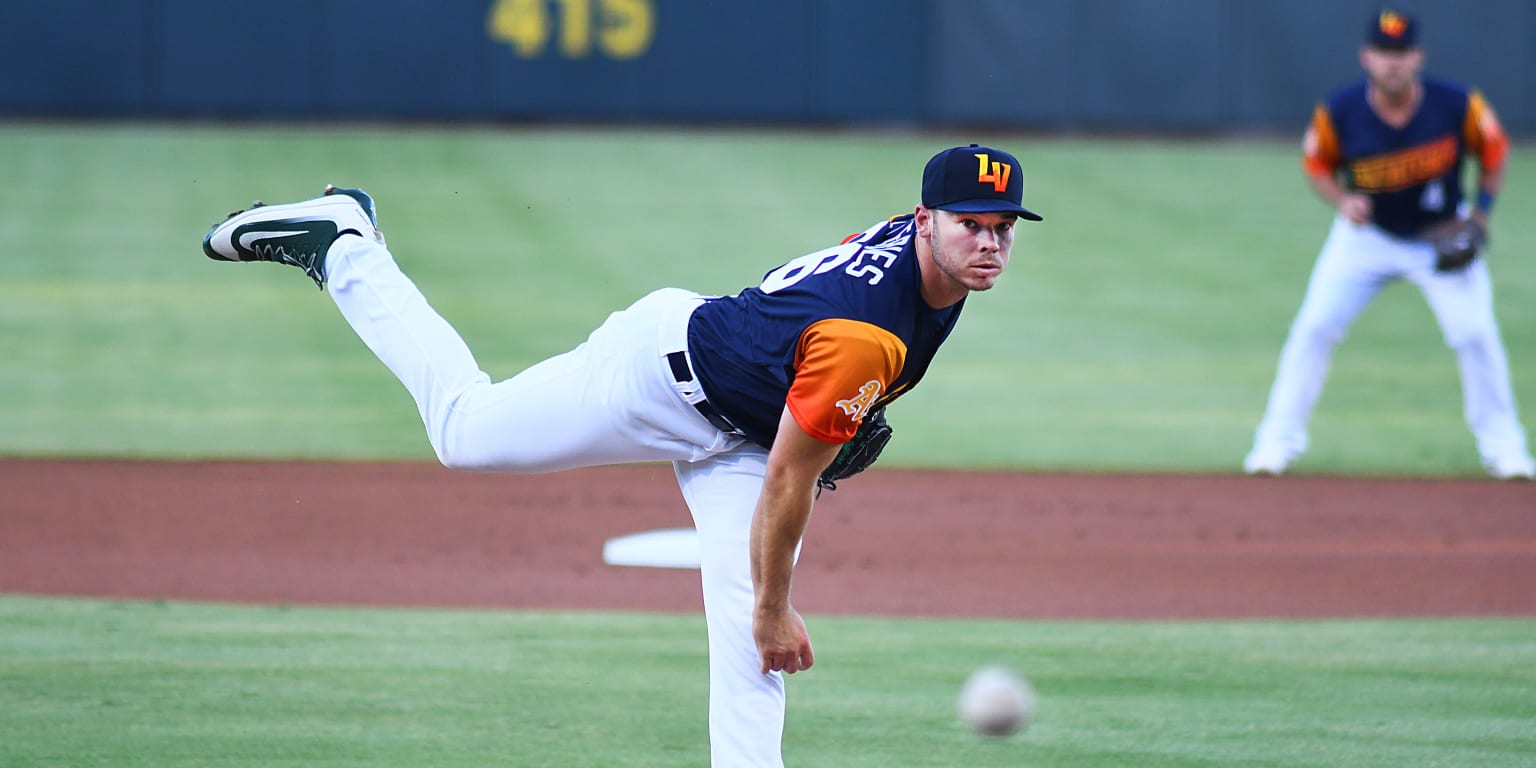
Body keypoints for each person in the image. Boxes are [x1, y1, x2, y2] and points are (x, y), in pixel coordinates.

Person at [200, 144, 1043, 766]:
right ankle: (346, 245)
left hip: (741, 433)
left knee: (748, 650)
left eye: (1003, 229)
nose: (990, 245)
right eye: (971, 224)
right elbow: (795, 473)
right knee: (464, 432)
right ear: (924, 219)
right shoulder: (868, 335)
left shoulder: (929, 266)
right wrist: (778, 604)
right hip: (655, 376)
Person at [1243, 8, 1534, 480]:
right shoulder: (1339, 109)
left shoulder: (1458, 104)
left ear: (1418, 57)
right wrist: (1342, 200)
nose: (1392, 63)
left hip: (1440, 235)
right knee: (1314, 327)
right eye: (1383, 52)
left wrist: (1481, 213)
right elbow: (1316, 165)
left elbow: (1496, 153)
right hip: (1366, 239)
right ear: (1366, 57)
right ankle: (1276, 443)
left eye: (1401, 52)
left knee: (1475, 334)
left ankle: (1505, 450)